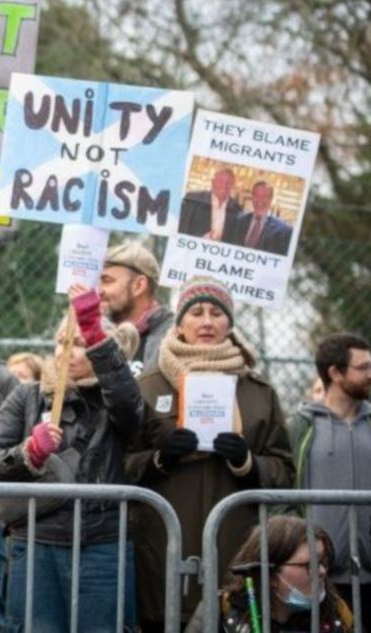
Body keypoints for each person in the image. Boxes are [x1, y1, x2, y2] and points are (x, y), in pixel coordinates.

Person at [126, 277, 294, 630]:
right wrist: (159, 459)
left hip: (234, 547)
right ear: (179, 324)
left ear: (229, 325)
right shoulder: (148, 387)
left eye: (217, 313)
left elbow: (285, 470)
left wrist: (247, 463)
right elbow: (120, 465)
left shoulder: (258, 391)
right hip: (163, 550)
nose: (206, 321)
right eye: (196, 312)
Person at [0, 284, 144, 633]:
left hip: (102, 547)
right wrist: (27, 453)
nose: (68, 352)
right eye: (62, 342)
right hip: (37, 543)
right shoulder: (27, 397)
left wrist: (95, 331)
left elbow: (129, 408)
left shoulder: (113, 398)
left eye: (81, 343)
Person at [287, 332, 371, 622]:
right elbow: (279, 489)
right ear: (335, 373)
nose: (370, 374)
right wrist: (300, 548)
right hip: (318, 575)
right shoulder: (300, 427)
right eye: (363, 367)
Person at [185, 516, 354, 632]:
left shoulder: (338, 614)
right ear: (271, 575)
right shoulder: (220, 610)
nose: (322, 571)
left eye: (323, 562)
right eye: (310, 564)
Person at [99, 240, 173, 372]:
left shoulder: (172, 337)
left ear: (138, 286)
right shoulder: (98, 336)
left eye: (107, 281)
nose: (98, 290)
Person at [228, 182, 292, 256]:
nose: (259, 200)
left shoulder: (284, 231)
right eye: (256, 195)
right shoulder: (237, 221)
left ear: (271, 200)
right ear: (252, 198)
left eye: (264, 196)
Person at [179, 168, 241, 241]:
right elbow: (181, 228)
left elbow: (235, 238)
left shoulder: (237, 208)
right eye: (220, 181)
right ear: (213, 182)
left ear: (233, 186)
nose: (224, 185)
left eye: (229, 182)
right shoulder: (193, 199)